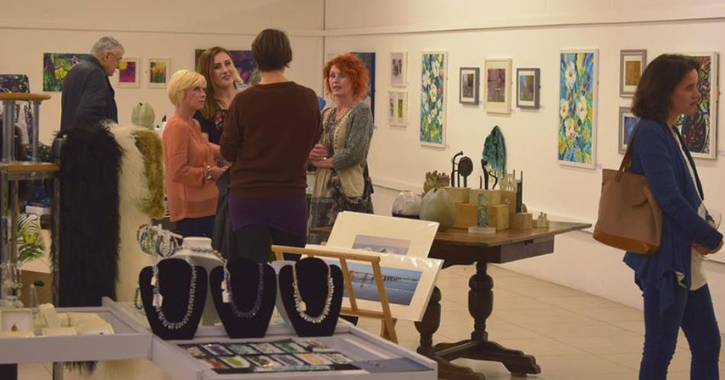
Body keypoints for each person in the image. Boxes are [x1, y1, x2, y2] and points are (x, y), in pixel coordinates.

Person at [625, 54, 724, 380]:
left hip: (685, 255)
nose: (697, 94)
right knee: (659, 350)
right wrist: (710, 236)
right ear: (665, 91)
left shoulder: (669, 130)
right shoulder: (652, 133)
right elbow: (668, 198)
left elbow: (687, 192)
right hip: (667, 261)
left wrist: (704, 222)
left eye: (697, 86)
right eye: (689, 87)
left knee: (708, 343)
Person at [220, 28, 320, 263]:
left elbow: (227, 151)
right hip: (290, 197)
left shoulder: (244, 101)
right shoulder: (307, 98)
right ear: (287, 56)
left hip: (248, 199)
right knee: (288, 273)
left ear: (257, 57)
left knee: (252, 275)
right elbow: (312, 140)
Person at [307, 54, 374, 244]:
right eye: (332, 76)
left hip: (348, 193)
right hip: (323, 190)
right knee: (320, 244)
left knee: (345, 245)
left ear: (354, 80)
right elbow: (317, 148)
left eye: (342, 76)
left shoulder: (360, 111)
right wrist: (311, 155)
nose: (335, 81)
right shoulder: (327, 114)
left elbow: (356, 152)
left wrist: (325, 163)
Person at [163, 70, 226, 238]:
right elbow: (178, 171)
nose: (203, 95)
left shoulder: (193, 124)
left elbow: (206, 148)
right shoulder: (177, 126)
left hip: (207, 206)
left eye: (203, 90)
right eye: (196, 89)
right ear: (181, 93)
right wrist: (211, 173)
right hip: (191, 211)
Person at [60, 36, 123, 131]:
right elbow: (89, 114)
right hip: (86, 143)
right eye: (118, 60)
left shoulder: (75, 70)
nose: (118, 66)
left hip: (70, 140)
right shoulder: (96, 74)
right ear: (106, 56)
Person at [194, 46, 242, 145]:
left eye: (228, 63)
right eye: (217, 67)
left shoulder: (248, 99)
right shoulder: (202, 106)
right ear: (207, 73)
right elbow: (203, 145)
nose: (225, 70)